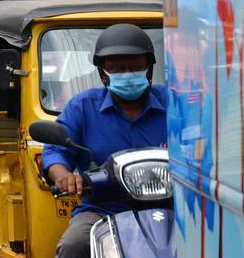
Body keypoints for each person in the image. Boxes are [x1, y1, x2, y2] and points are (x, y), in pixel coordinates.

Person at [41, 24, 166, 258]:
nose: (127, 73)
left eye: (136, 66)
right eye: (117, 68)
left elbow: (202, 141)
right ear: (102, 73)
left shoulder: (174, 104)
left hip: (170, 208)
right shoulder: (83, 107)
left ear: (149, 68)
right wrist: (64, 176)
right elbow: (56, 152)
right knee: (73, 244)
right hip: (102, 210)